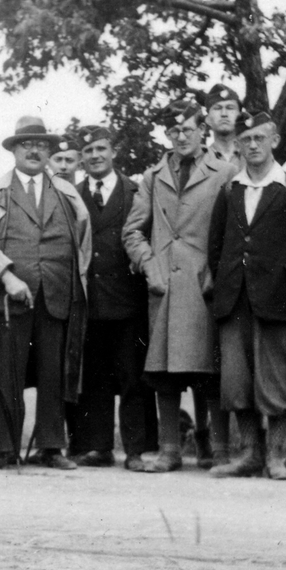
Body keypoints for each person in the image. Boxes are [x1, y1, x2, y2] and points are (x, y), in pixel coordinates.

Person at [0, 116, 93, 472]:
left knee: (53, 372)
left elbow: (83, 244)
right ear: (14, 151)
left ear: (50, 151)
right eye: (26, 144)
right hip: (9, 298)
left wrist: (73, 286)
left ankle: (51, 447)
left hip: (56, 295)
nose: (34, 150)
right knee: (5, 373)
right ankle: (1, 449)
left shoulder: (68, 195)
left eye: (41, 144)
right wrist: (5, 276)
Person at [206, 111, 286, 479]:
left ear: (274, 140)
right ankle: (249, 455)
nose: (253, 145)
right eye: (246, 140)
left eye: (260, 138)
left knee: (275, 380)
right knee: (237, 380)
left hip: (277, 301)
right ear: (238, 145)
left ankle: (275, 456)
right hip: (235, 299)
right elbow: (216, 245)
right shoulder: (230, 190)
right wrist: (228, 281)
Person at [122, 98, 235, 472]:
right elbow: (132, 231)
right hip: (164, 286)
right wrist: (147, 262)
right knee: (164, 371)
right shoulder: (153, 177)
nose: (181, 136)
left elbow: (235, 230)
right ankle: (170, 450)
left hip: (205, 286)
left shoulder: (225, 171)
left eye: (188, 128)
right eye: (174, 131)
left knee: (211, 371)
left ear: (203, 129)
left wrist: (217, 272)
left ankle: (219, 450)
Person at [67, 124, 154, 469]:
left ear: (113, 151)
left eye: (101, 149)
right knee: (95, 377)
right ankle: (99, 446)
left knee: (132, 376)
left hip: (128, 300)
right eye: (88, 151)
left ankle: (134, 451)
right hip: (91, 301)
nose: (95, 156)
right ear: (82, 158)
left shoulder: (136, 192)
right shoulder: (72, 195)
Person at [204, 84, 243, 168]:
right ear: (208, 119)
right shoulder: (200, 160)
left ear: (240, 117)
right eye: (217, 108)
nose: (224, 114)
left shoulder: (252, 156)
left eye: (230, 108)